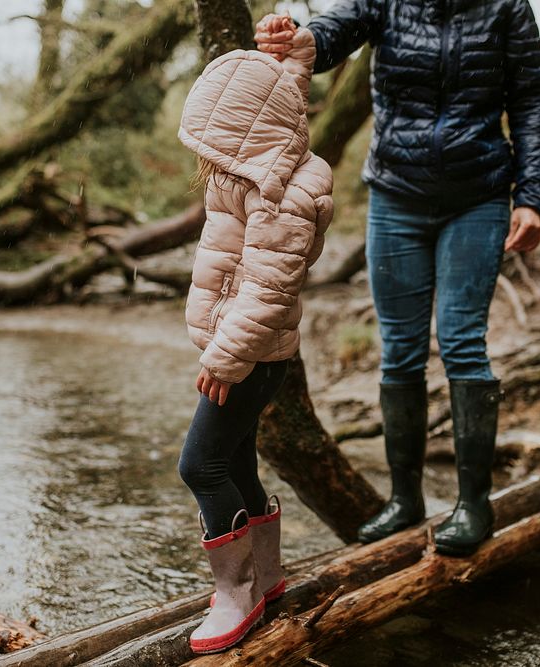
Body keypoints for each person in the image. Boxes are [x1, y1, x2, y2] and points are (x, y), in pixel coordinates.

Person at [256, 1, 540, 556]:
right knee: (400, 352)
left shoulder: (508, 6)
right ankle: (405, 500)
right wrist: (297, 39)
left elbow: (531, 101)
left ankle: (473, 503)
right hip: (396, 195)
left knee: (463, 342)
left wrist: (533, 196)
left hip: (479, 195)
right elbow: (335, 33)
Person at [175, 20, 334, 654]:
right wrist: (292, 54)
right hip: (248, 353)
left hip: (251, 354)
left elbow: (267, 287)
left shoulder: (279, 191)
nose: (205, 156)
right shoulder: (258, 159)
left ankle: (235, 595)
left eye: (213, 139)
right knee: (236, 459)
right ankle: (265, 578)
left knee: (200, 465)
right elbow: (279, 103)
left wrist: (225, 357)